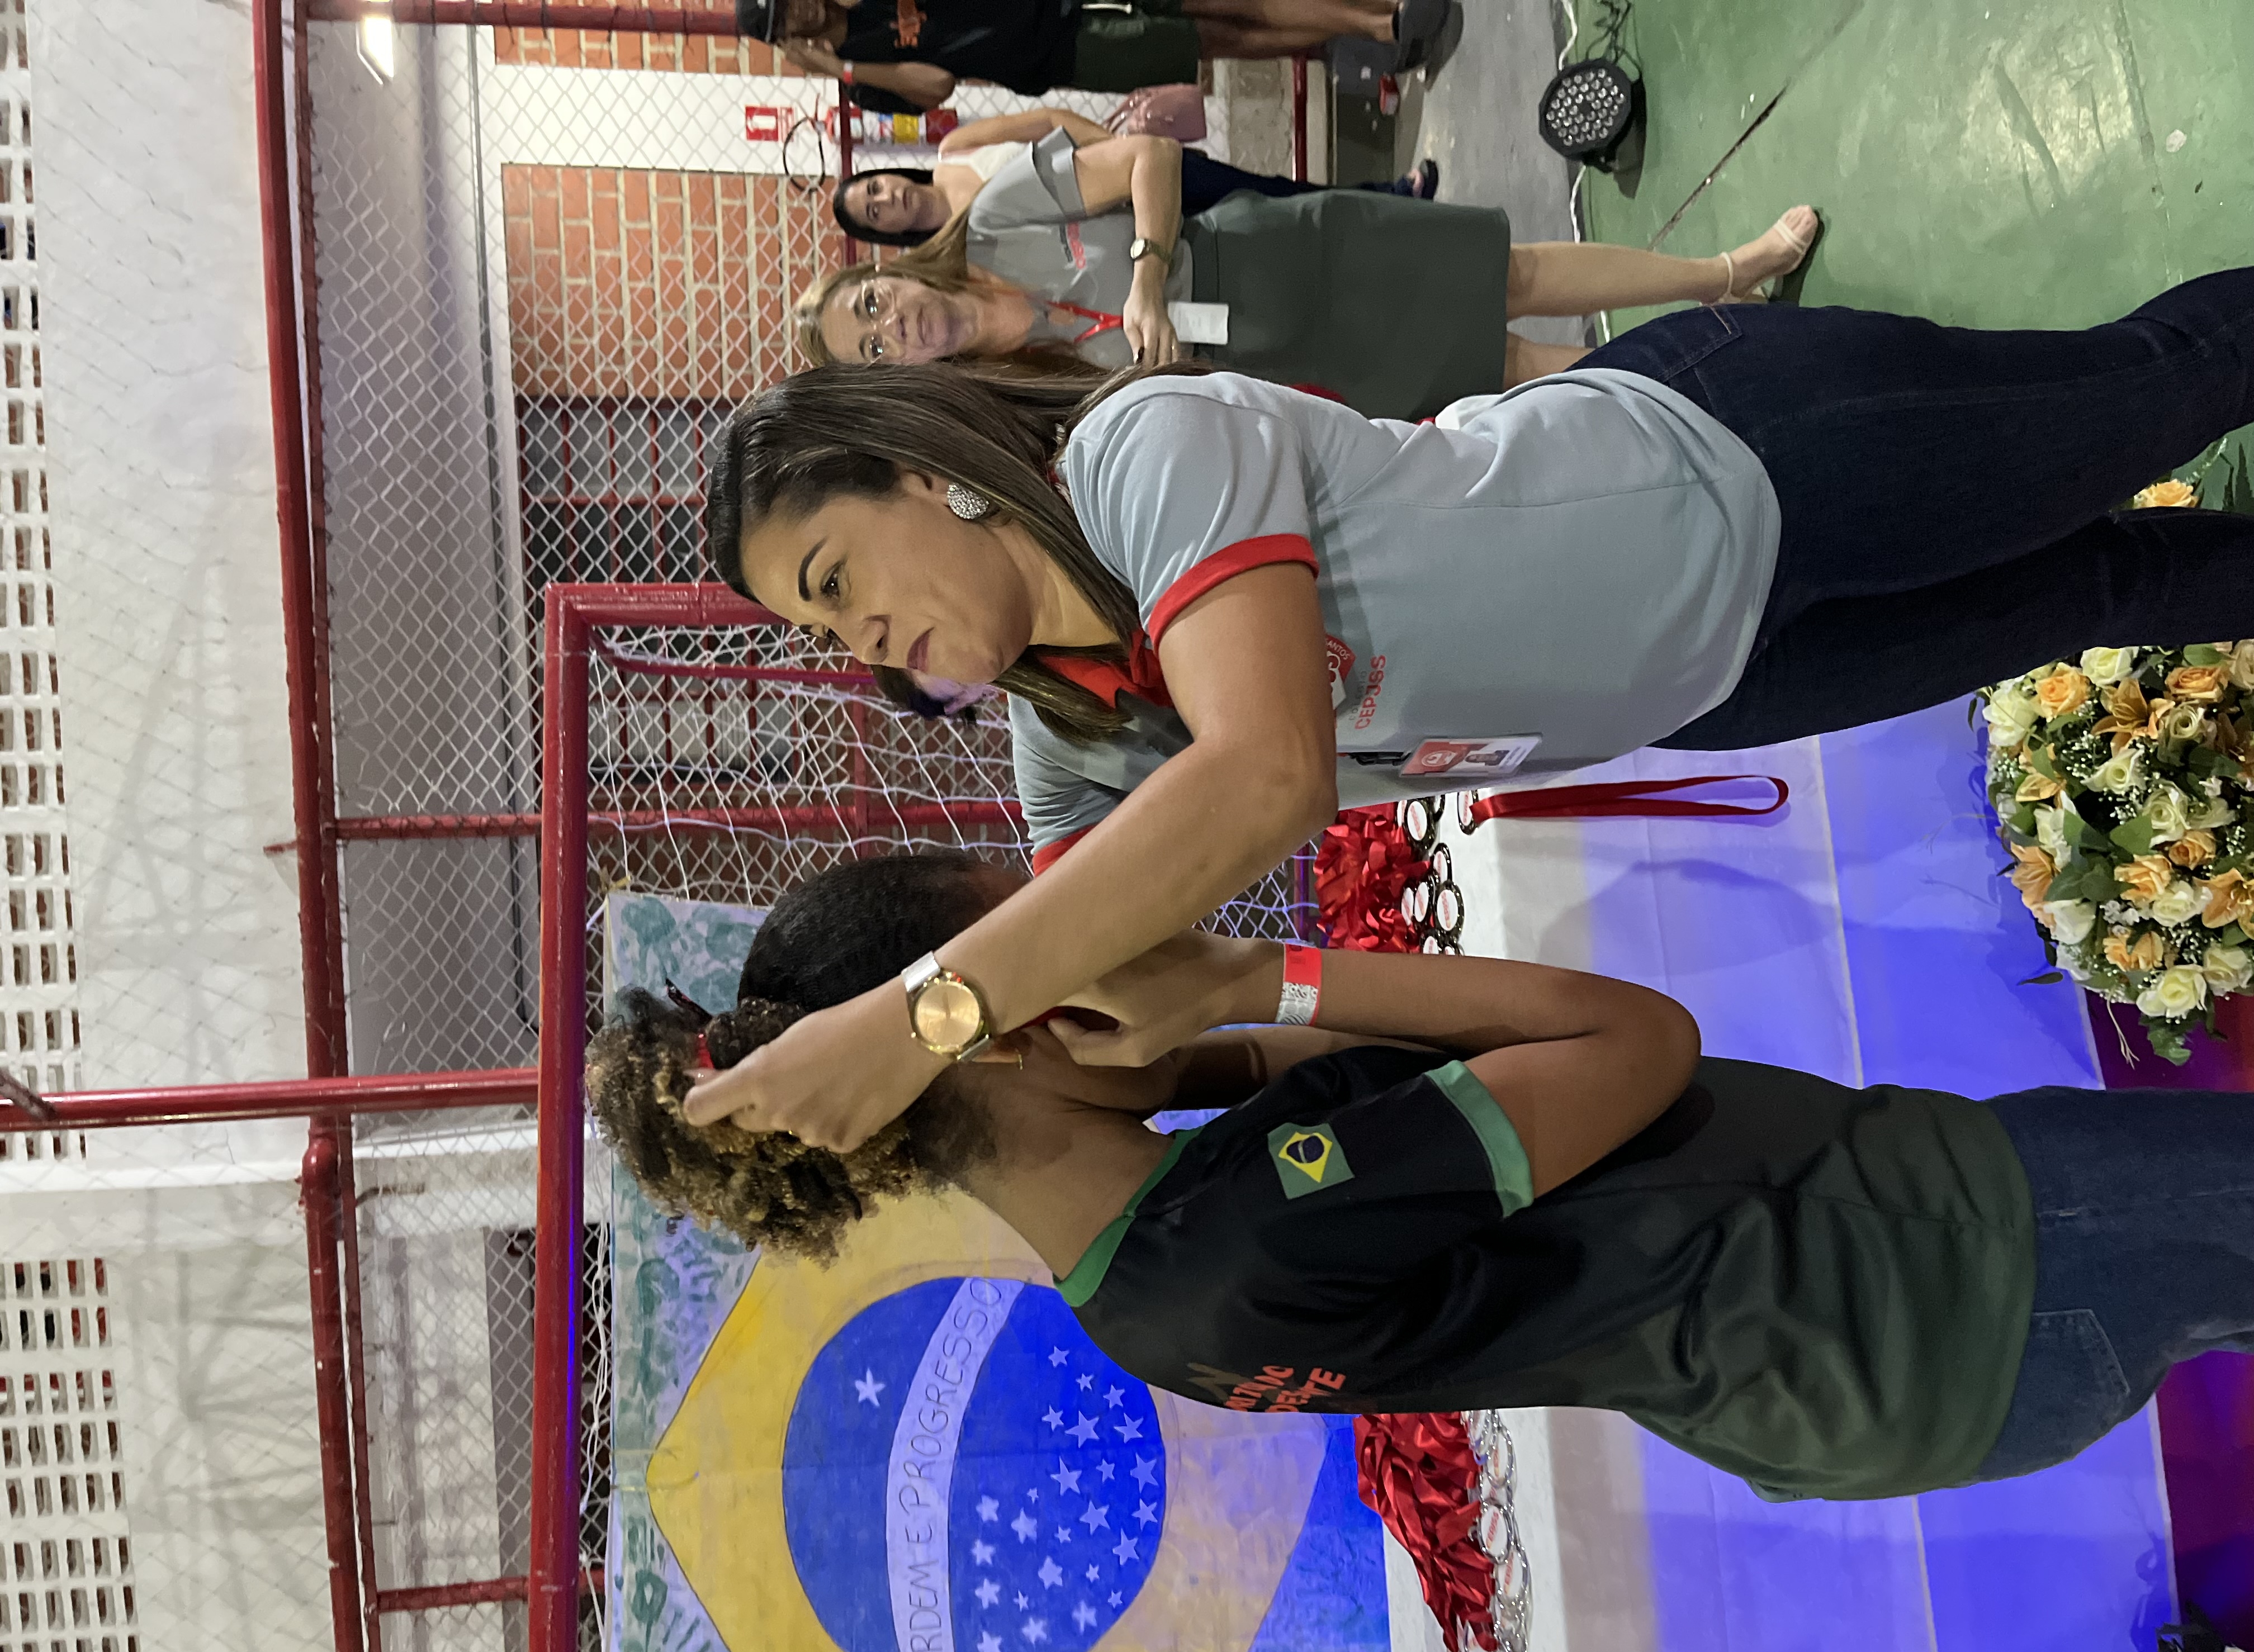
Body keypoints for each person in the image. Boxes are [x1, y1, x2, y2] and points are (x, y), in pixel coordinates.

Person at [688, 266, 2254, 1159]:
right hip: (1718, 678)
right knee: (2100, 591)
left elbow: (1268, 770)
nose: (860, 637)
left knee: (2163, 383)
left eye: (835, 576)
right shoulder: (1073, 746)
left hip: (1744, 460)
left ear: (924, 472)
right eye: (822, 629)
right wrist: (909, 1096)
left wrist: (914, 1023)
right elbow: (1113, 987)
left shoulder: (1139, 453)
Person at [588, 849, 2254, 1501]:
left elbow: (1321, 1093)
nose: (1110, 925)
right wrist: (1253, 978)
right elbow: (1634, 1039)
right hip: (1933, 1266)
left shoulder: (1148, 1291)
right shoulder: (1248, 1225)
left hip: (1868, 1374)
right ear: (1011, 1035)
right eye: (1051, 934)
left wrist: (1195, 1039)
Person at [798, 120, 1822, 414]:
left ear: (892, 272)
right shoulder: (1008, 391)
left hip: (1276, 254)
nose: (895, 325)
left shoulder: (994, 218)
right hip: (1271, 368)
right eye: (873, 348)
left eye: (873, 304)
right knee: (1507, 366)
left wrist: (1147, 274)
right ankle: (1737, 357)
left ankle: (1724, 274)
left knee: (1508, 277)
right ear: (896, 373)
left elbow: (1148, 158)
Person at [831, 106, 1439, 252]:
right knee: (1276, 234)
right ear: (887, 232)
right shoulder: (954, 248)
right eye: (874, 212)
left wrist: (1115, 151)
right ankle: (1390, 242)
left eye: (875, 187)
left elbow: (1046, 121)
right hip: (1134, 238)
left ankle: (1392, 200)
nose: (888, 198)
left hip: (1147, 175)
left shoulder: (955, 150)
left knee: (1275, 191)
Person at [742, 0, 1450, 118]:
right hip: (1061, 51)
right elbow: (939, 84)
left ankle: (1383, 17)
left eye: (787, 2)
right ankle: (1375, 37)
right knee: (1214, 41)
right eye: (783, 23)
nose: (797, 13)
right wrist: (841, 70)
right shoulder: (862, 80)